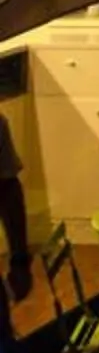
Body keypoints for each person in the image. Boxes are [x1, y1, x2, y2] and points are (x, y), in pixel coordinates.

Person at [0, 107, 30, 300]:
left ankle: (19, 284)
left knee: (19, 249)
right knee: (18, 246)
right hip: (8, 182)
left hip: (6, 181)